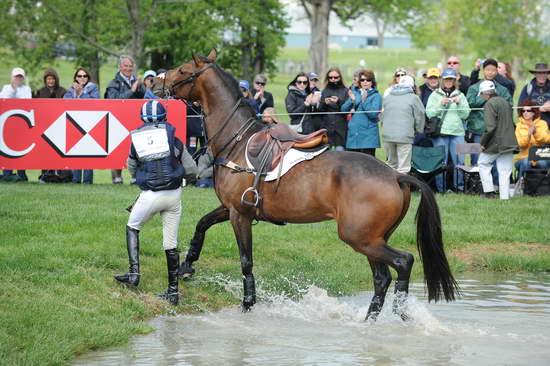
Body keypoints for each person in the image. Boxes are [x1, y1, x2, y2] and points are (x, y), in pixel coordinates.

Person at [114, 100, 197, 305]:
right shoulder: (175, 140)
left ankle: (134, 274)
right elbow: (192, 169)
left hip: (151, 195)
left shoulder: (137, 141)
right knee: (171, 243)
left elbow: (132, 167)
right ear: (164, 117)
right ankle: (172, 292)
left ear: (143, 119)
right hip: (174, 195)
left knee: (132, 227)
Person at [426, 69, 471, 192]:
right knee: (441, 162)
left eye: (451, 79)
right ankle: (441, 189)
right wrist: (441, 104)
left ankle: (459, 188)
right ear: (442, 80)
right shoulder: (435, 95)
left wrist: (459, 103)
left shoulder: (460, 95)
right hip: (440, 133)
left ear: (455, 81)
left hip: (457, 133)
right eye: (446, 79)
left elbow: (465, 115)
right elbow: (429, 113)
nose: (449, 81)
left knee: (460, 161)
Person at [105, 55, 146, 184]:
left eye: (130, 66)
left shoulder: (137, 82)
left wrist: (141, 87)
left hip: (136, 121)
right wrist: (132, 90)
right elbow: (113, 101)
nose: (128, 69)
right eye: (125, 66)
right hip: (117, 122)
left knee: (137, 148)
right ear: (120, 67)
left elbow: (144, 98)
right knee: (117, 148)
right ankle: (117, 176)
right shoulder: (113, 83)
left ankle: (135, 176)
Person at [466, 59, 512, 165]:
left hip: (497, 131)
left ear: (496, 71)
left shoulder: (502, 89)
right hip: (477, 130)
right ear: (483, 71)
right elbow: (470, 104)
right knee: (476, 160)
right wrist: (486, 95)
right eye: (487, 70)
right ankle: (476, 182)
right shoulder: (474, 88)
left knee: (495, 162)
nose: (490, 72)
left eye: (493, 70)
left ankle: (495, 182)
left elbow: (509, 105)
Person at [477, 81, 518, 200]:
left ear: (485, 93)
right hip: (509, 141)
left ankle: (489, 193)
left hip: (497, 142)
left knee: (483, 163)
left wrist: (483, 143)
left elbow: (490, 128)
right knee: (505, 171)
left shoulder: (489, 104)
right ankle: (504, 198)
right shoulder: (505, 101)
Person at [381, 75, 425, 174]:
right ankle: (402, 189)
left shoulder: (388, 97)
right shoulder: (414, 98)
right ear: (412, 86)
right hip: (405, 135)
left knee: (391, 164)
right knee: (403, 168)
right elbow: (420, 115)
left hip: (388, 135)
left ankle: (389, 188)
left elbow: (382, 116)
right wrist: (418, 130)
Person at [64, 67, 99, 184]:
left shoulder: (93, 88)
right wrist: (75, 93)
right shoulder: (70, 90)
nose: (82, 78)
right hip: (74, 125)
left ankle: (87, 181)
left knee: (88, 154)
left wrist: (82, 93)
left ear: (88, 78)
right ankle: (75, 179)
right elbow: (64, 104)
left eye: (85, 76)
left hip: (90, 124)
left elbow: (95, 102)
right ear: (75, 78)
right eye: (79, 76)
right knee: (75, 153)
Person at [35, 68, 70, 184]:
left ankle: (59, 175)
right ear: (45, 80)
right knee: (45, 152)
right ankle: (45, 174)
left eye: (52, 78)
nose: (50, 81)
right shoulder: (40, 92)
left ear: (56, 79)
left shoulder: (62, 91)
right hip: (44, 126)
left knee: (58, 152)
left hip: (59, 126)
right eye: (48, 79)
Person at [0, 67, 32, 182]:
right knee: (6, 148)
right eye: (16, 76)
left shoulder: (26, 88)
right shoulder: (6, 88)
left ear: (23, 78)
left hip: (21, 124)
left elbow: (27, 101)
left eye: (20, 77)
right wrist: (13, 89)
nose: (18, 79)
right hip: (7, 124)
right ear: (12, 77)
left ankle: (22, 174)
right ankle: (7, 174)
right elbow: (4, 100)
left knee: (20, 149)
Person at [341, 69, 381, 157]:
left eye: (368, 80)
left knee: (367, 166)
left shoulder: (376, 96)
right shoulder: (355, 93)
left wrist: (364, 101)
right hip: (354, 135)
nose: (365, 82)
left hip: (368, 137)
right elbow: (343, 110)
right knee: (352, 165)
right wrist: (352, 100)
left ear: (372, 81)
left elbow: (373, 114)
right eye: (362, 80)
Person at [514, 100, 550, 178]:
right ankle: (522, 183)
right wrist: (528, 135)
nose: (525, 113)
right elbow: (520, 144)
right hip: (523, 157)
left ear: (534, 112)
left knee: (542, 163)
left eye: (528, 110)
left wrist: (535, 133)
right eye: (523, 111)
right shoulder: (518, 126)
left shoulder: (542, 124)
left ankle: (543, 185)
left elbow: (546, 139)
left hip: (540, 156)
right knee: (525, 162)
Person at [319, 67, 348, 150]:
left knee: (340, 153)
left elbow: (346, 109)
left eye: (336, 77)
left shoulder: (345, 91)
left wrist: (338, 101)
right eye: (330, 77)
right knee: (326, 154)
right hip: (326, 127)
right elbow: (320, 110)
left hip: (340, 128)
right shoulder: (324, 91)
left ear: (340, 78)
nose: (333, 79)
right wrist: (324, 103)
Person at [518, 63, 550, 128]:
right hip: (532, 127)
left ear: (547, 74)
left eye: (544, 73)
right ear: (535, 74)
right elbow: (520, 108)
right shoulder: (527, 88)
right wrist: (539, 109)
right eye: (539, 73)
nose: (542, 76)